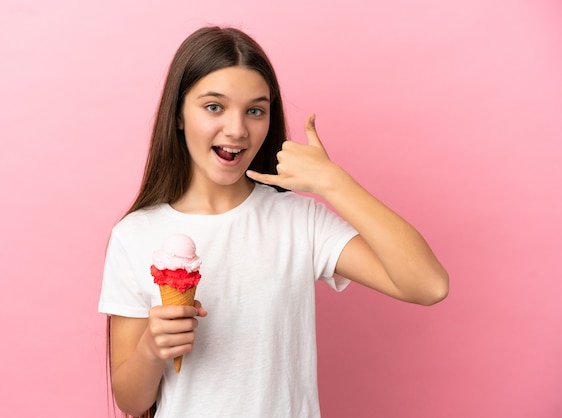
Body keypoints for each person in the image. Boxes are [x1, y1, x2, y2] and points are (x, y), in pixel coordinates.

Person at [98, 26, 449, 418]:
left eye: (255, 110)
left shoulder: (298, 221)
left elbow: (429, 284)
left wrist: (332, 182)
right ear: (178, 115)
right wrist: (151, 347)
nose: (237, 129)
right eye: (214, 106)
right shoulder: (133, 235)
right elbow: (131, 402)